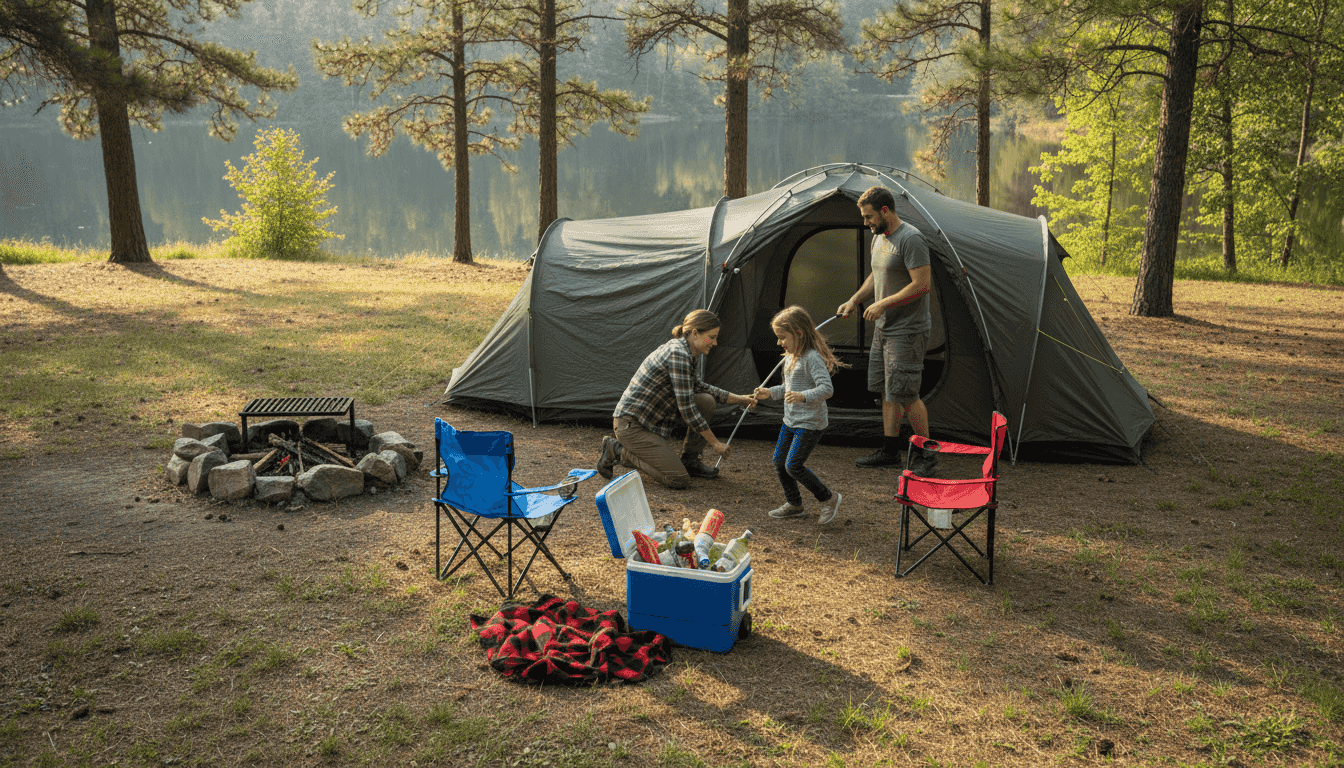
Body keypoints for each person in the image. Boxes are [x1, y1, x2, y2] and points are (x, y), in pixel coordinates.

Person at [596, 309, 759, 489]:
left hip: (648, 424)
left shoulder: (687, 351)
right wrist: (716, 444)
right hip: (632, 426)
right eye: (712, 337)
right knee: (678, 479)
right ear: (695, 332)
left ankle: (690, 460)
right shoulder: (678, 354)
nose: (715, 342)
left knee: (706, 400)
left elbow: (699, 387)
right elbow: (687, 409)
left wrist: (740, 399)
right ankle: (617, 450)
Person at [837, 185, 938, 477]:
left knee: (907, 393)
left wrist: (882, 304)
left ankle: (927, 454)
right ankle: (889, 450)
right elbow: (877, 273)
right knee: (887, 391)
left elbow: (922, 284)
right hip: (885, 329)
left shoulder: (911, 238)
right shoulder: (879, 239)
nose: (865, 222)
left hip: (907, 330)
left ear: (885, 211)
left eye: (868, 216)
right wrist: (855, 300)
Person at [753, 306, 845, 524]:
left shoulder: (812, 358)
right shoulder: (791, 357)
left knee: (793, 465)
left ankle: (829, 498)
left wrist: (803, 396)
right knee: (779, 462)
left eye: (782, 337)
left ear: (799, 333)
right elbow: (788, 387)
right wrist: (770, 393)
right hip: (791, 421)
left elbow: (827, 389)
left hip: (810, 423)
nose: (779, 343)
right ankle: (794, 505)